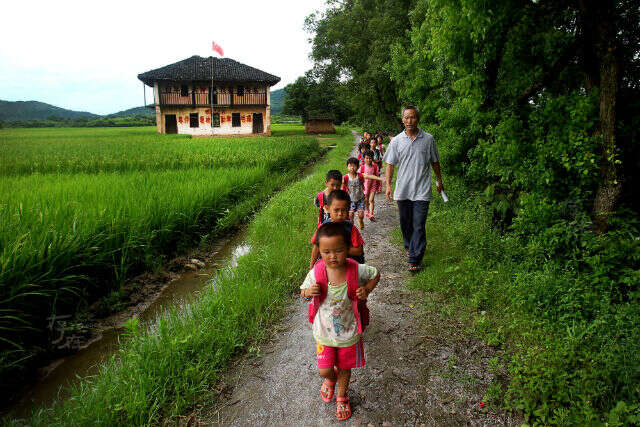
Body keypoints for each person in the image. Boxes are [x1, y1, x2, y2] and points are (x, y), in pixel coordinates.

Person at [300, 222, 380, 421]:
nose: (332, 256)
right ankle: (329, 380)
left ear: (347, 249)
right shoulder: (317, 272)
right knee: (324, 369)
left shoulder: (355, 269)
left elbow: (375, 274)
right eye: (326, 251)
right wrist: (308, 292)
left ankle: (342, 396)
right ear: (320, 251)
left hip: (348, 332)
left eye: (338, 250)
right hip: (324, 333)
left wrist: (367, 289)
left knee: (345, 368)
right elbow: (303, 291)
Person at [383, 106, 444, 272]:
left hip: (422, 190)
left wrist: (439, 180)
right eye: (406, 117)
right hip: (403, 190)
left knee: (419, 224)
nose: (409, 121)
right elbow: (390, 164)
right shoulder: (396, 141)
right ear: (402, 119)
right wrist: (388, 184)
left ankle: (415, 258)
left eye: (413, 117)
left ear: (418, 119)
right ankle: (410, 246)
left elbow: (435, 161)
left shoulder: (428, 139)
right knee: (406, 223)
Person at [309, 190, 365, 269]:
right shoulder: (323, 228)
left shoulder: (350, 228)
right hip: (328, 267)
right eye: (336, 210)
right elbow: (316, 247)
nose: (340, 214)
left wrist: (336, 249)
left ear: (348, 209)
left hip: (348, 267)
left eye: (344, 210)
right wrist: (311, 267)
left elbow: (359, 251)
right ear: (327, 208)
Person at [342, 158, 383, 229]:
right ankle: (352, 228)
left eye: (354, 166)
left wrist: (381, 179)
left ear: (358, 167)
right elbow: (337, 182)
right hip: (350, 200)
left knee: (361, 215)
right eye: (350, 166)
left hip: (360, 199)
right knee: (350, 215)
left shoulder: (360, 175)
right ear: (347, 167)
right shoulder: (345, 177)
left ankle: (360, 220)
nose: (352, 167)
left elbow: (370, 176)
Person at [360, 150, 382, 220]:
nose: (368, 160)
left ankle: (371, 214)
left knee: (371, 200)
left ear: (372, 158)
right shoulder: (362, 167)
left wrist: (379, 186)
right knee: (366, 200)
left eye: (370, 158)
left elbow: (377, 176)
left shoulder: (375, 167)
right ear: (364, 158)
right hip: (365, 186)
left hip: (373, 185)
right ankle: (367, 210)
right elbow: (358, 177)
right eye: (367, 158)